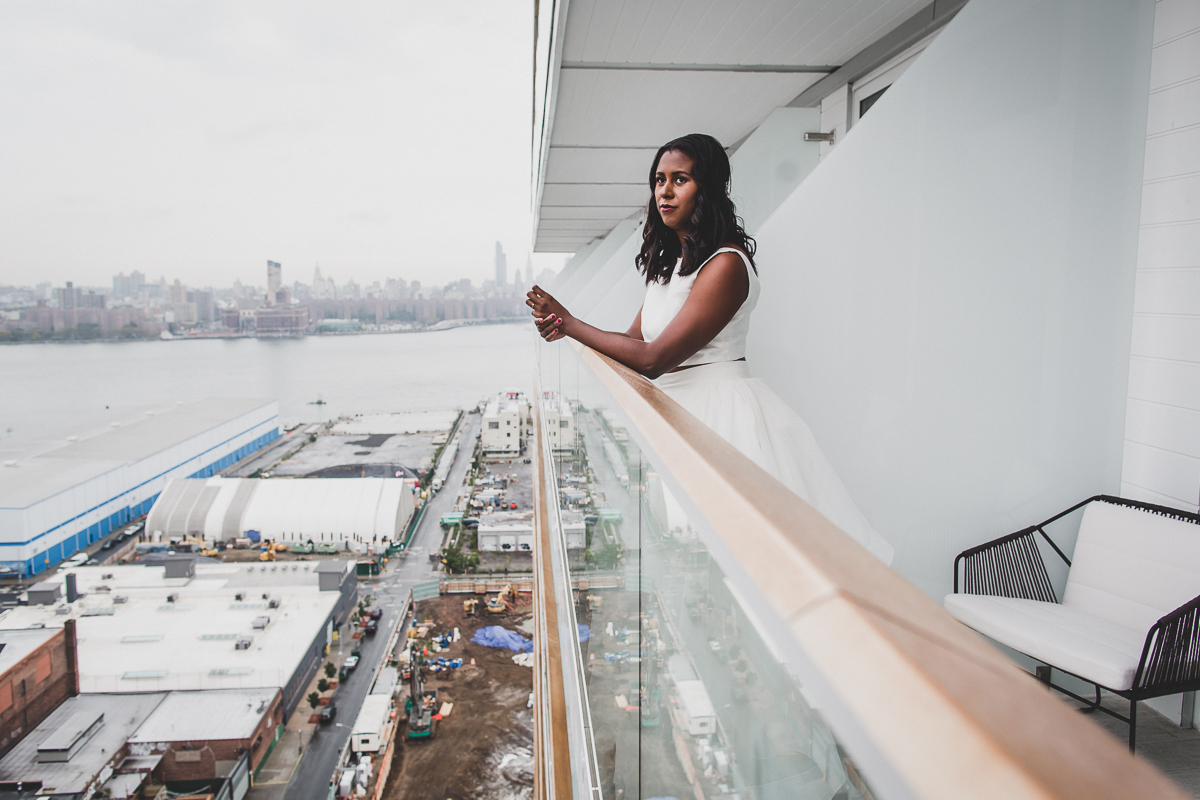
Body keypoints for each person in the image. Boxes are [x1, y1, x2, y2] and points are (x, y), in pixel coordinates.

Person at [527, 133, 893, 563]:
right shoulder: (671, 268)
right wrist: (566, 328)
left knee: (765, 556)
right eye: (659, 180)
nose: (664, 190)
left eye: (679, 179)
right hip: (680, 415)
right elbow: (633, 342)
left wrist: (570, 322)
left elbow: (654, 359)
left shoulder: (725, 264)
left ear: (708, 187)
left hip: (724, 419)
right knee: (714, 556)